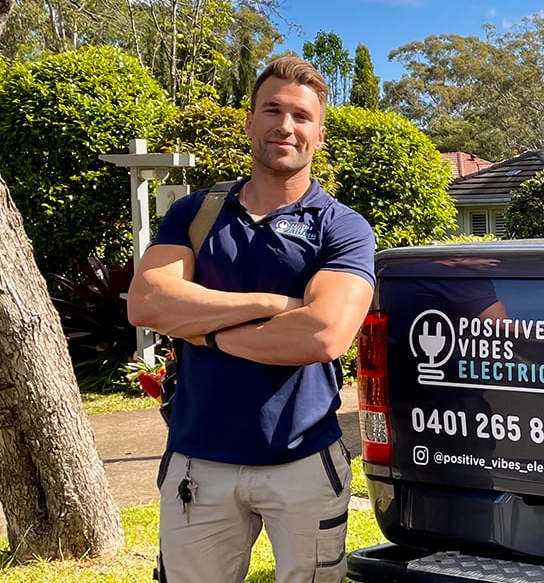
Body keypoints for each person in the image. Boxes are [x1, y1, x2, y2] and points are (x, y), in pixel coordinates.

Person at [127, 56, 375, 583]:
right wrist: (270, 304)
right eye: (272, 110)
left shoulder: (342, 228)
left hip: (303, 460)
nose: (285, 126)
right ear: (250, 122)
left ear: (319, 134)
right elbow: (147, 304)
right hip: (199, 460)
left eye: (301, 116)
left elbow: (323, 334)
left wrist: (201, 326)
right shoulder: (195, 214)